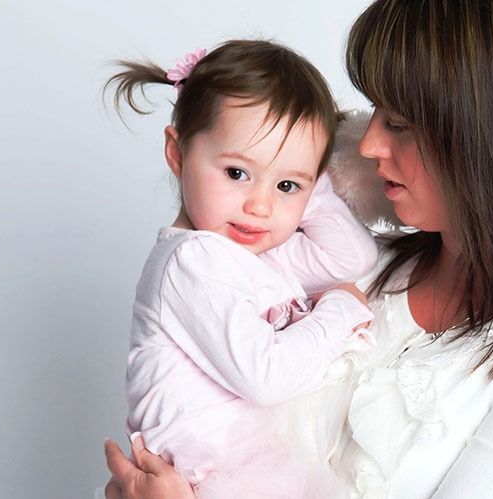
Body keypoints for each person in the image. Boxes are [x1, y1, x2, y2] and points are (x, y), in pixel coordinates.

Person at [104, 0, 493, 497]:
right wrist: (303, 167)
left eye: (400, 123)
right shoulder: (350, 269)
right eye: (371, 114)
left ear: (490, 138)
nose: (367, 143)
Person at [103, 40, 378, 498]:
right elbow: (265, 378)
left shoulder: (252, 255)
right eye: (236, 173)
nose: (260, 205)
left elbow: (351, 259)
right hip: (210, 480)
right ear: (177, 153)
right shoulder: (192, 262)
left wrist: (313, 179)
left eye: (287, 185)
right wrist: (342, 311)